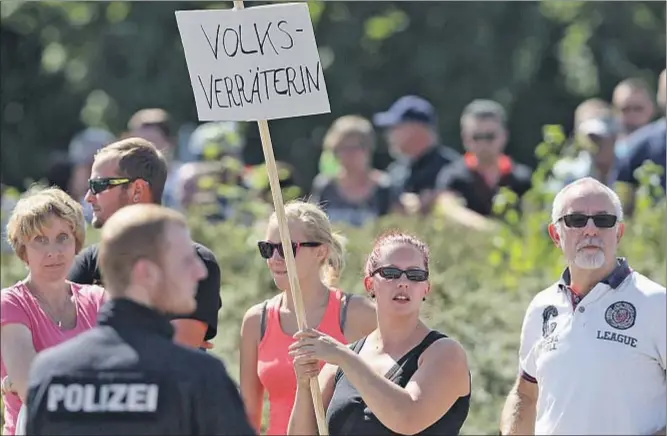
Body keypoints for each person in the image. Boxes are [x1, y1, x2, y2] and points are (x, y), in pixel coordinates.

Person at [24, 204, 256, 435]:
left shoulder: (50, 373)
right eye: (186, 260)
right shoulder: (198, 376)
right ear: (145, 273)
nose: (200, 271)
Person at [499, 177, 666, 435]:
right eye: (576, 220)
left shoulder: (657, 302)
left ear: (619, 232)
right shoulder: (541, 306)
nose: (590, 230)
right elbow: (526, 394)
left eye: (603, 220)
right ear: (556, 234)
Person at [287, 231, 471, 435]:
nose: (403, 282)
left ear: (426, 288)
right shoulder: (338, 364)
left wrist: (345, 358)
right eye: (391, 273)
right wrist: (304, 385)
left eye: (415, 275)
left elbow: (407, 418)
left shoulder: (446, 354)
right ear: (370, 284)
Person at [67, 137, 222, 350]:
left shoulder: (195, 261)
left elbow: (173, 354)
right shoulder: (90, 260)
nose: (88, 197)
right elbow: (57, 337)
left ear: (137, 190)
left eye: (98, 185)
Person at [239, 200, 377, 435]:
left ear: (321, 251)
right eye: (267, 248)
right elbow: (246, 416)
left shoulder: (359, 314)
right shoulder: (256, 320)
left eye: (286, 248)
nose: (274, 258)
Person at [1, 186, 107, 435]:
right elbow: (34, 391)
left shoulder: (97, 299)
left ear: (76, 241)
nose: (54, 251)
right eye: (40, 240)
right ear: (22, 248)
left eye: (63, 237)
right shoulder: (10, 303)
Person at [373, 95, 460, 214]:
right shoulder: (396, 171)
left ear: (416, 129)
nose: (388, 136)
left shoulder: (452, 169)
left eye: (394, 128)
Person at [310, 115, 399, 227]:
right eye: (342, 148)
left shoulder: (384, 187)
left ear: (368, 149)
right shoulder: (325, 186)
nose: (348, 154)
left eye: (354, 147)